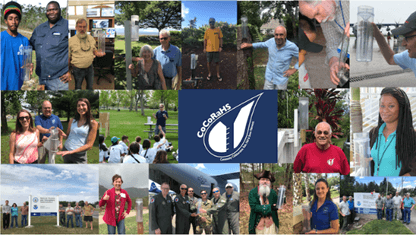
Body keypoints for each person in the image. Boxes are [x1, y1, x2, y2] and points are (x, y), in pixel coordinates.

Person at [299, 0, 350, 86]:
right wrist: (335, 61)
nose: (319, 20)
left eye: (317, 13)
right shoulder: (326, 16)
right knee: (342, 83)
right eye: (314, 18)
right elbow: (332, 42)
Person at [369, 87, 416, 176]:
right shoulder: (373, 133)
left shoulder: (412, 137)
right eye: (382, 105)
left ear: (401, 108)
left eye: (391, 106)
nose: (385, 110)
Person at [30, 1, 70, 90]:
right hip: (42, 78)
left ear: (60, 10)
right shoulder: (39, 29)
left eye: (54, 9)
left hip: (60, 80)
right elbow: (30, 45)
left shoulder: (68, 26)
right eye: (49, 10)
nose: (51, 12)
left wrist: (71, 71)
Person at [372, 11, 416, 76]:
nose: (403, 44)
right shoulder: (412, 57)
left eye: (408, 38)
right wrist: (378, 36)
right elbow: (391, 58)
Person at [57, 98, 98, 163]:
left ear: (88, 106)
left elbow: (89, 145)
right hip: (66, 151)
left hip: (79, 156)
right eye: (78, 105)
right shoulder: (72, 120)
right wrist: (61, 133)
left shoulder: (93, 123)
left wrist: (71, 152)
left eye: (83, 105)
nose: (81, 107)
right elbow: (67, 136)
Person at [1, 1, 32, 90]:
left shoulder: (25, 40)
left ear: (19, 21)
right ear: (5, 21)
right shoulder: (1, 37)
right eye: (10, 19)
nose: (13, 22)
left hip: (16, 84)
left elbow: (27, 64)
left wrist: (29, 66)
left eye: (16, 19)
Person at [69, 18, 105, 90]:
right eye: (80, 26)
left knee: (90, 88)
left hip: (90, 68)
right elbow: (67, 58)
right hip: (78, 70)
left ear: (87, 27)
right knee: (78, 88)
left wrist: (98, 54)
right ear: (76, 28)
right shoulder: (70, 41)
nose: (82, 29)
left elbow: (94, 51)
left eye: (84, 27)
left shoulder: (91, 38)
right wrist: (67, 72)